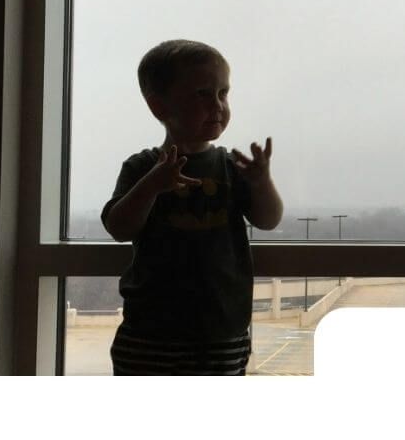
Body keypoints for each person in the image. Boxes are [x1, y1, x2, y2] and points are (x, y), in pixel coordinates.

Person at [102, 39, 284, 374]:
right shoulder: (142, 167)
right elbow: (119, 227)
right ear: (159, 107)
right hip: (150, 333)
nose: (217, 105)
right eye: (202, 94)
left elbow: (268, 219)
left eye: (223, 93)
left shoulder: (231, 167)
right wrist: (153, 185)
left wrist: (261, 183)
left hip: (222, 332)